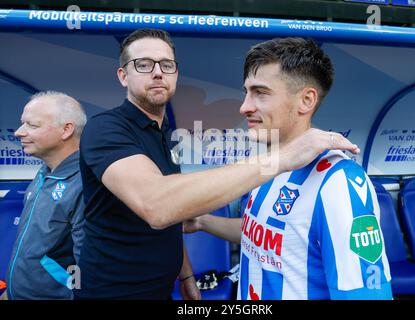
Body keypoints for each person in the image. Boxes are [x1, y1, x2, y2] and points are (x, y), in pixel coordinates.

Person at [74, 29, 359, 300]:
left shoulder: (336, 178)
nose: (158, 72)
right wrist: (282, 158)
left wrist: (186, 273)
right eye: (144, 64)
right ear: (123, 76)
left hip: (160, 290)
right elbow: (157, 205)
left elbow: (185, 218)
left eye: (166, 64)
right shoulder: (105, 129)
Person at [184, 38, 393, 300]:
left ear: (306, 100)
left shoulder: (338, 182)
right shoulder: (267, 165)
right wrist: (202, 222)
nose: (245, 106)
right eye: (246, 92)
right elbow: (267, 235)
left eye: (260, 93)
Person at [2, 91, 87, 300]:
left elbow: (90, 271)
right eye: (22, 123)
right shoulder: (44, 173)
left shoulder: (86, 185)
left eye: (32, 125)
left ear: (67, 129)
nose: (19, 132)